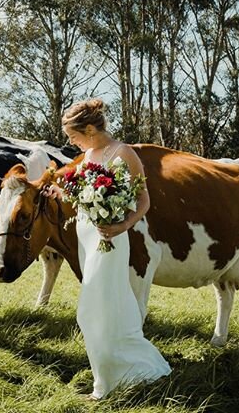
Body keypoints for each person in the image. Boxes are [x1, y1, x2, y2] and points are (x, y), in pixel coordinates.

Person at [47, 98, 171, 400]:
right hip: (88, 238)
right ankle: (117, 372)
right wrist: (63, 190)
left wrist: (121, 226)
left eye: (72, 136)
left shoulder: (123, 153)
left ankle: (104, 385)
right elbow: (84, 194)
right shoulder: (88, 153)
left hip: (111, 239)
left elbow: (144, 201)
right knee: (105, 307)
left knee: (93, 308)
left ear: (89, 128)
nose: (71, 142)